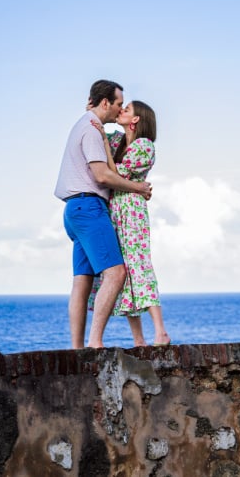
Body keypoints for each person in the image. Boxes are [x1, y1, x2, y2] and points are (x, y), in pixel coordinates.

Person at [54, 80, 152, 349]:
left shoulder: (86, 125)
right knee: (116, 273)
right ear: (106, 102)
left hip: (74, 210)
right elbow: (102, 174)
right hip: (89, 208)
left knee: (82, 282)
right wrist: (138, 188)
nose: (120, 108)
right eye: (119, 103)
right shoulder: (92, 129)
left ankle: (77, 349)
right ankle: (95, 342)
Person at [89, 100, 171, 346]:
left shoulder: (144, 146)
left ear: (136, 120)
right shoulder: (117, 141)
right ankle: (139, 339)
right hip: (114, 210)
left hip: (131, 211)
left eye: (127, 110)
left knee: (139, 265)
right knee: (123, 274)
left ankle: (160, 331)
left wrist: (104, 142)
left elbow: (116, 174)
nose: (121, 111)